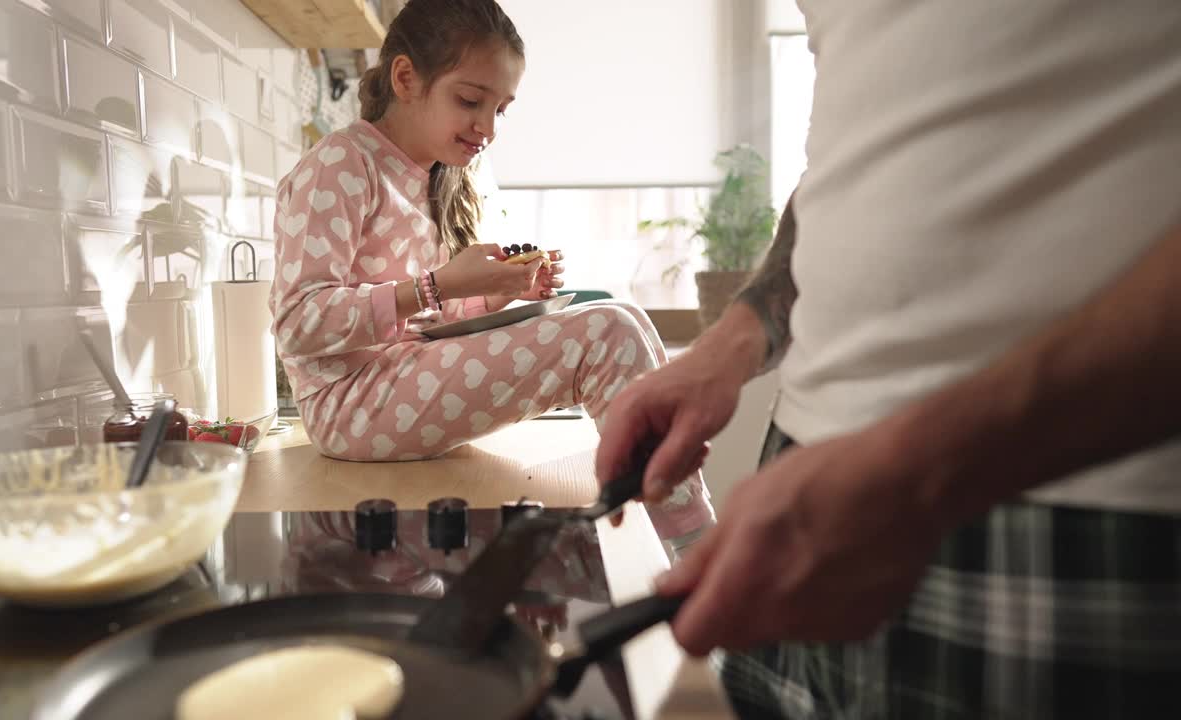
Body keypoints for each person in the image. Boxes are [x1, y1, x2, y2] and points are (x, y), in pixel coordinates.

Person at [596, 1, 1181, 717]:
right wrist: (734, 339)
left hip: (1077, 512)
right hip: (811, 478)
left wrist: (915, 468)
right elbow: (867, 140)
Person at [268, 0, 714, 546]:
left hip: (390, 383)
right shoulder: (343, 163)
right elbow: (296, 323)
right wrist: (440, 284)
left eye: (500, 109)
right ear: (406, 78)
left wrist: (492, 294)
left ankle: (682, 531)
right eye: (470, 100)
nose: (488, 127)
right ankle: (695, 544)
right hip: (348, 405)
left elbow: (416, 318)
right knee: (610, 333)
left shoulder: (427, 174)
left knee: (628, 317)